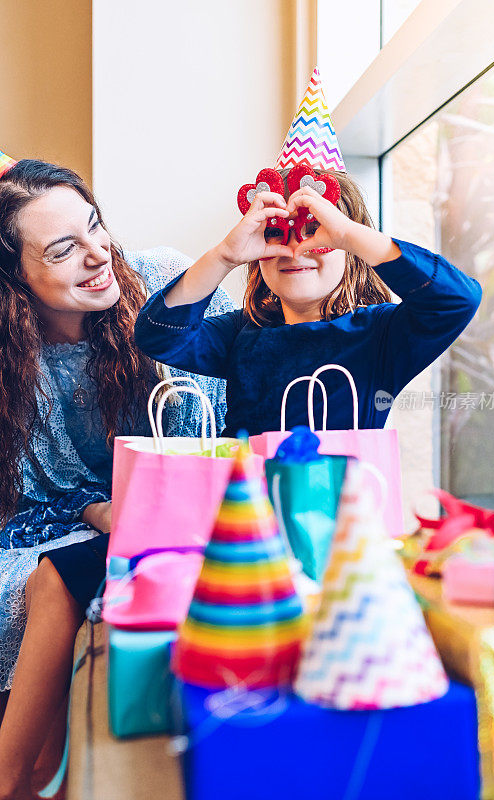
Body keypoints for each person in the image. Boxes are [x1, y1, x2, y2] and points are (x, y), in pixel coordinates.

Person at [0, 157, 233, 800]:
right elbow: (21, 509)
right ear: (14, 278)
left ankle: (36, 781)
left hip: (191, 515)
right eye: (63, 248)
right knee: (39, 585)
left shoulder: (160, 284)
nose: (98, 254)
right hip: (72, 535)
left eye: (95, 225)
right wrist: (97, 511)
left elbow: (238, 398)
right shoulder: (12, 369)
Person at [134, 167, 482, 434]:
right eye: (275, 233)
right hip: (246, 515)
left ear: (351, 251)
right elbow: (158, 336)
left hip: (341, 517)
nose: (294, 249)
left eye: (315, 232)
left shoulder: (380, 335)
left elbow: (456, 300)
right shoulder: (241, 332)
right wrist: (224, 256)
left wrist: (348, 233)